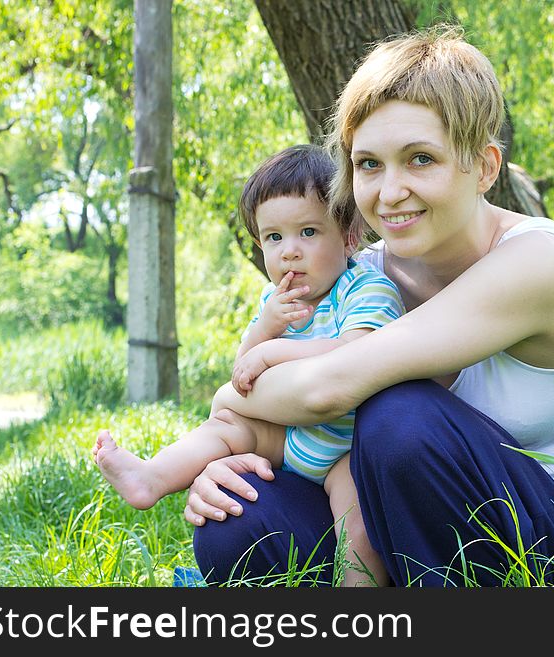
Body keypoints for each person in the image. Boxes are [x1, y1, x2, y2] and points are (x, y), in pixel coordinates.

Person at [186, 26, 554, 587]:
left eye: (420, 159)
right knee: (239, 517)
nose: (389, 192)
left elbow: (324, 390)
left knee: (399, 417)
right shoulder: (361, 279)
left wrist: (234, 398)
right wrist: (229, 457)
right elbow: (289, 400)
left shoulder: (538, 259)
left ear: (485, 167)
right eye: (369, 164)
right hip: (402, 520)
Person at [92, 144, 405, 587]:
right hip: (289, 436)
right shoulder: (273, 301)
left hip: (348, 446)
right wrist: (264, 329)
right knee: (227, 425)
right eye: (274, 238)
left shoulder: (366, 289)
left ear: (350, 235)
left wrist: (272, 352)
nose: (289, 252)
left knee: (356, 523)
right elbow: (243, 378)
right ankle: (151, 477)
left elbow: (356, 352)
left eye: (309, 232)